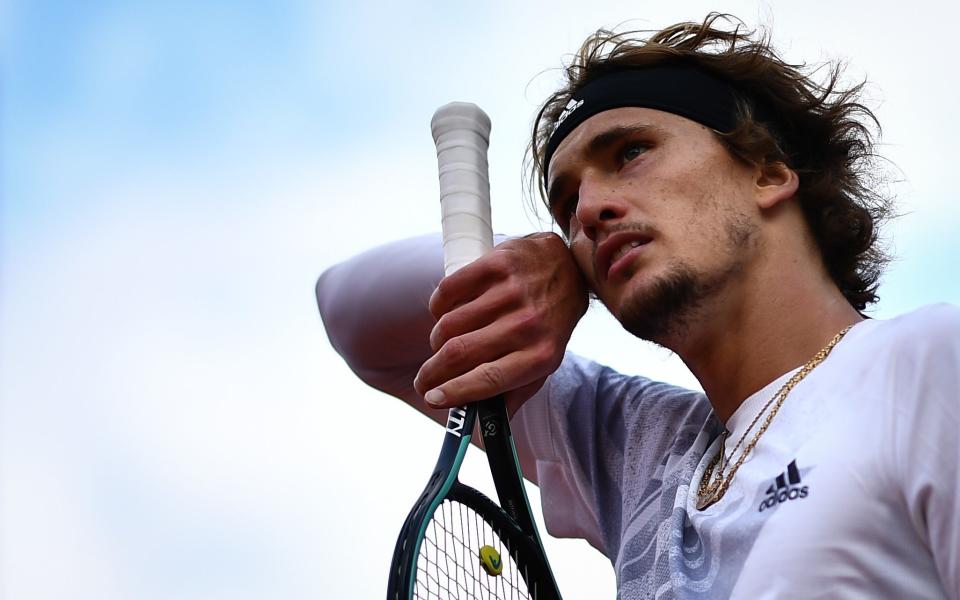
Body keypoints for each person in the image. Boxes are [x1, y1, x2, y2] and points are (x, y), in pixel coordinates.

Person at [317, 14, 959, 599]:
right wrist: (537, 259)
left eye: (631, 153)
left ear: (766, 171)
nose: (589, 212)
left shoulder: (928, 364)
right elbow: (350, 313)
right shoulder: (643, 451)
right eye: (567, 205)